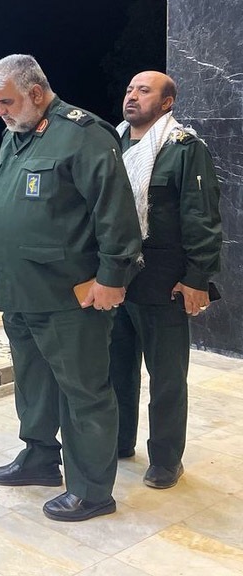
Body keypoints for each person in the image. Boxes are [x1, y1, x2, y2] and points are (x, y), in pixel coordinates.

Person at [0, 54, 142, 522]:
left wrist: (112, 277)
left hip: (70, 295)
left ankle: (92, 490)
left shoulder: (84, 135)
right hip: (21, 291)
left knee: (84, 391)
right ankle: (39, 458)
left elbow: (116, 212)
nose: (0, 113)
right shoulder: (17, 136)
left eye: (6, 102)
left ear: (36, 93)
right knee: (33, 383)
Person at [109, 71, 223, 489]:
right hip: (116, 278)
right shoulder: (112, 144)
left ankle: (166, 459)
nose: (132, 96)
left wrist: (196, 278)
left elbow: (202, 216)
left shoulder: (184, 149)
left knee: (167, 377)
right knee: (116, 369)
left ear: (167, 102)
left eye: (144, 91)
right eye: (129, 89)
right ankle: (119, 441)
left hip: (163, 281)